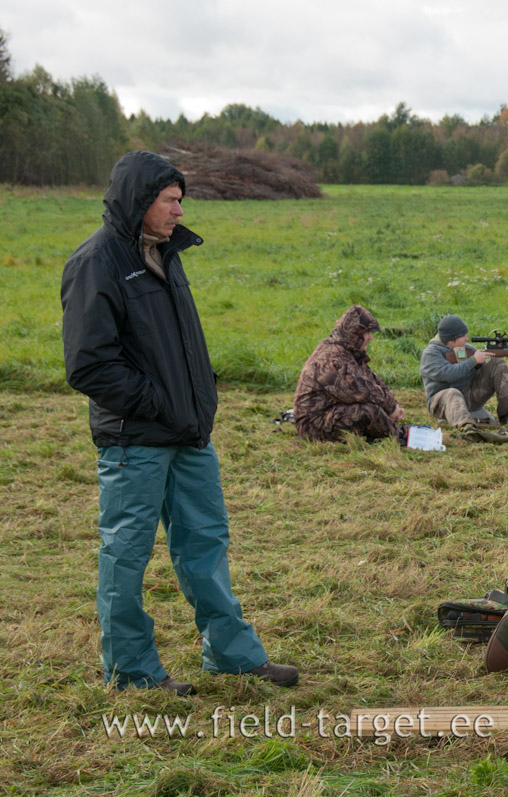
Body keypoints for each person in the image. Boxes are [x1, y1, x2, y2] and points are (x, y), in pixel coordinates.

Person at [61, 151, 298, 696]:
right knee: (127, 555)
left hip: (189, 435)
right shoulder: (96, 262)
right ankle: (132, 671)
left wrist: (195, 404)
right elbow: (88, 364)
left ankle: (233, 656)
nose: (178, 209)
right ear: (141, 201)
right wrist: (157, 402)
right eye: (169, 200)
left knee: (206, 543)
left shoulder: (169, 255)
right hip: (135, 439)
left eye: (179, 199)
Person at [293, 305, 406, 444]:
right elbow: (363, 391)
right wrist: (390, 409)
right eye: (367, 333)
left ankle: (391, 431)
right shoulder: (333, 359)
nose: (370, 337)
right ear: (355, 334)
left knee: (373, 408)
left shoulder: (347, 352)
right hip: (313, 425)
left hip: (330, 412)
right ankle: (400, 437)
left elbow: (371, 380)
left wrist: (393, 406)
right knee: (369, 411)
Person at [419, 314, 508, 443]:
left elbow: (484, 371)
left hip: (469, 396)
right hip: (442, 402)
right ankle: (467, 427)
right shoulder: (431, 354)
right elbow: (448, 375)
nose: (467, 338)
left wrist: (495, 353)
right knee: (452, 392)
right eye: (463, 335)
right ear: (451, 340)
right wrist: (473, 360)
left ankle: (506, 415)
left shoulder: (468, 349)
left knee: (498, 364)